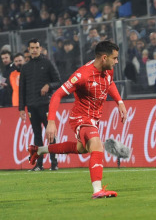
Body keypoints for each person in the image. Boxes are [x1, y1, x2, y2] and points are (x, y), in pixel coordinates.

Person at [28, 40, 127, 199]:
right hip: (81, 117)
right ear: (103, 58)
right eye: (114, 58)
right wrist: (51, 121)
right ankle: (97, 190)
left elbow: (110, 84)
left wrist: (120, 102)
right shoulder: (82, 75)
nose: (116, 61)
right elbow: (57, 94)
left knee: (82, 149)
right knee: (96, 145)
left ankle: (38, 150)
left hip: (94, 118)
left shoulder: (108, 70)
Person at [19, 38, 61, 171]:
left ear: (40, 48)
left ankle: (54, 163)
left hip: (45, 104)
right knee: (37, 135)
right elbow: (22, 89)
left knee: (50, 134)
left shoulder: (48, 63)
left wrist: (49, 85)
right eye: (32, 48)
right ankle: (39, 164)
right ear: (29, 50)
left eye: (37, 47)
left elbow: (58, 81)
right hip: (31, 105)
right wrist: (21, 108)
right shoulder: (25, 67)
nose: (35, 50)